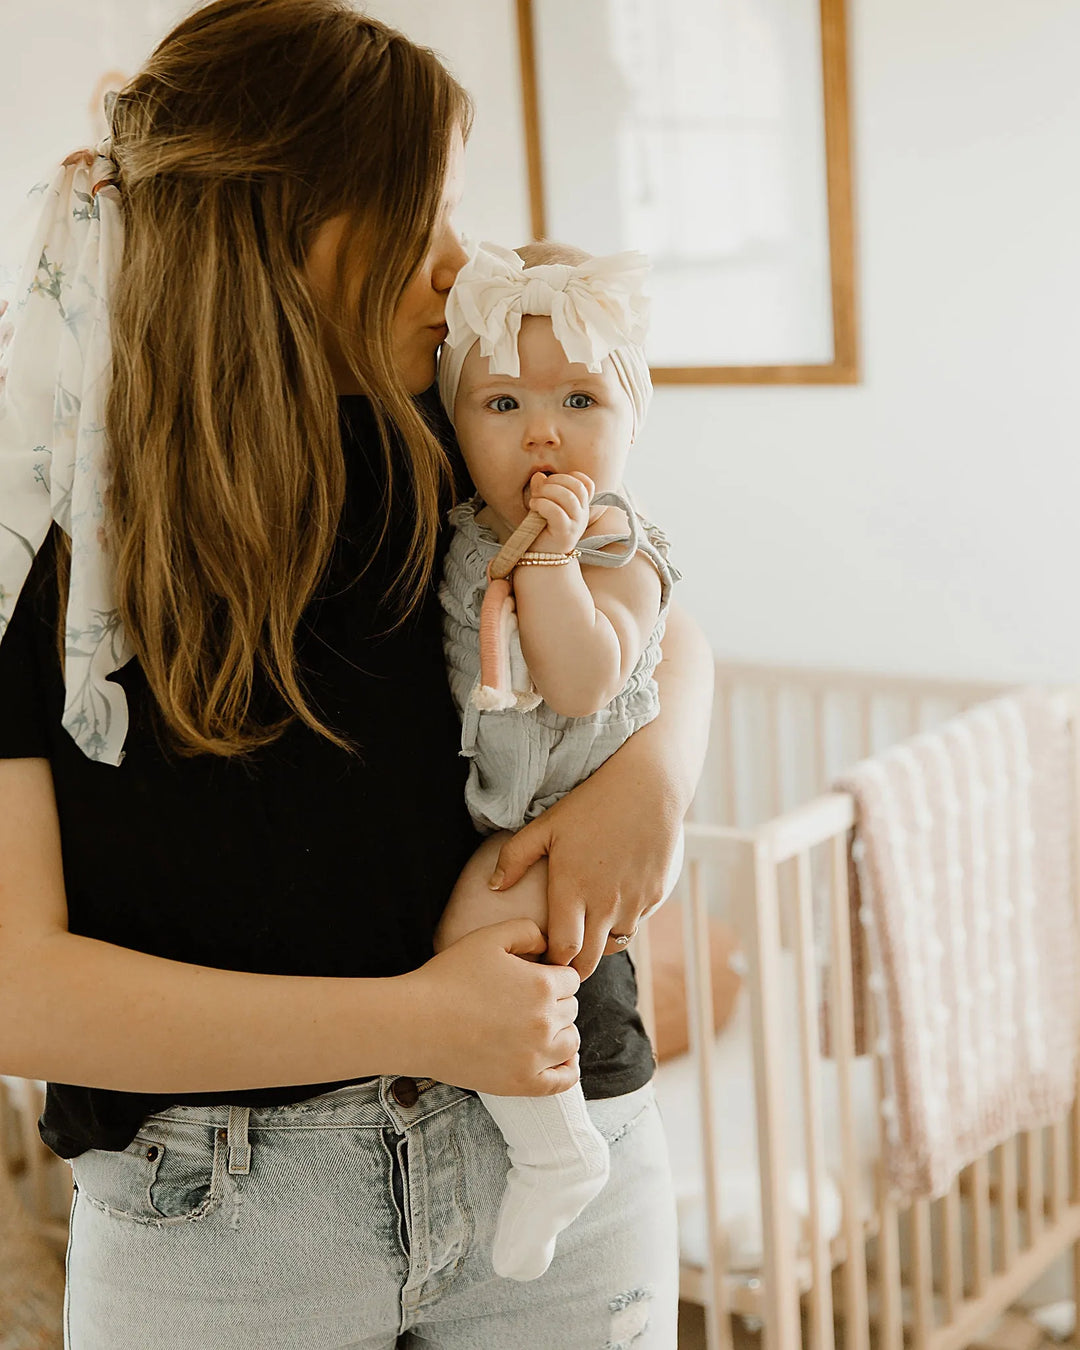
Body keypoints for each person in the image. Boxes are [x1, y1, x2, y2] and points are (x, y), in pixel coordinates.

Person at [0, 2, 713, 1345]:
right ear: (277, 222)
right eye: (424, 214)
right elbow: (16, 983)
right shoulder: (44, 523)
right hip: (219, 1217)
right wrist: (416, 1022)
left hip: (561, 1150)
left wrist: (658, 782)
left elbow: (652, 601)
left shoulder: (447, 436)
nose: (464, 262)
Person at [432, 239, 686, 1284]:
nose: (542, 429)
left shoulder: (622, 553)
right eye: (501, 406)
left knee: (469, 936)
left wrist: (547, 556)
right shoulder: (451, 536)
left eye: (580, 399)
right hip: (500, 808)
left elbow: (582, 680)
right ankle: (552, 1141)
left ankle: (555, 1151)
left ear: (633, 421)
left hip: (566, 823)